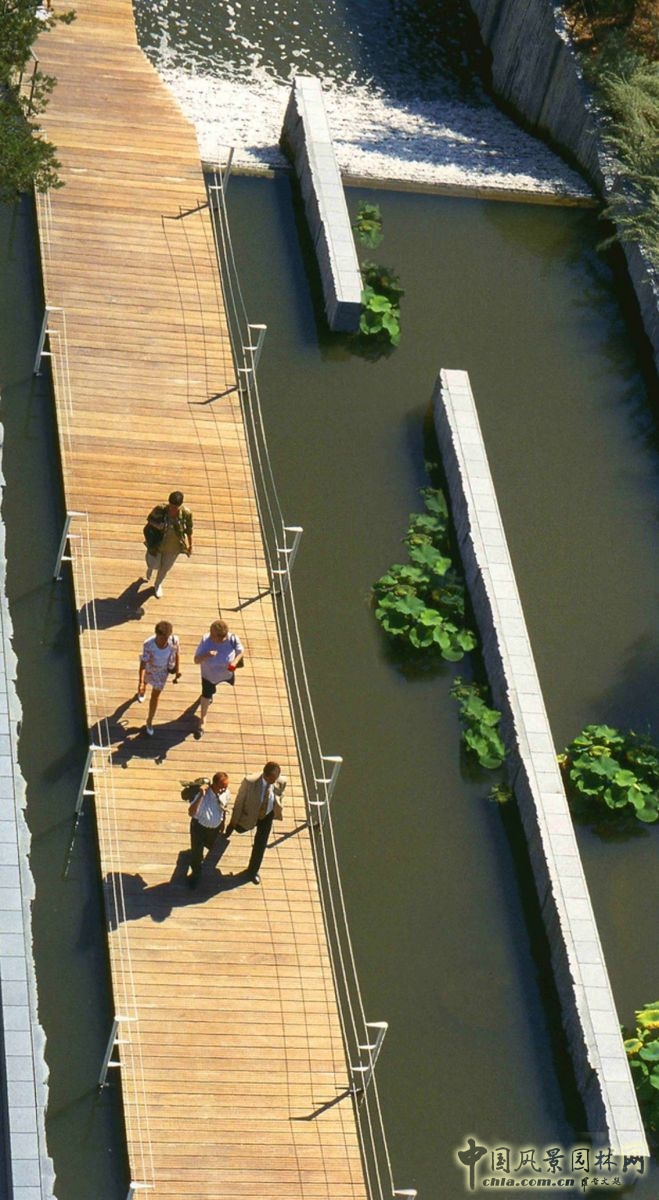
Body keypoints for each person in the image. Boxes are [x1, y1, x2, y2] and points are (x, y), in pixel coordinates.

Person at [225, 762, 285, 885]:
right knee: (239, 829)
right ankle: (229, 831)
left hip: (267, 815)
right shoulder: (249, 782)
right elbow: (239, 802)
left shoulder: (280, 781)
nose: (276, 781)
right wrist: (233, 823)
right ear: (266, 775)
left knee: (261, 844)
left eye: (277, 777)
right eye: (273, 778)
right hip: (251, 815)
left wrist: (278, 806)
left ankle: (252, 871)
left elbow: (280, 794)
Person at [192, 620, 244, 739]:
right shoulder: (205, 640)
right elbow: (196, 660)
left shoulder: (233, 639)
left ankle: (210, 695)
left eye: (213, 634)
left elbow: (241, 651)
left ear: (222, 638)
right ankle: (202, 722)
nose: (209, 635)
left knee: (213, 691)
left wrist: (234, 662)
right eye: (210, 632)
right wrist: (207, 655)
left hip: (226, 673)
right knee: (206, 695)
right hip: (209, 676)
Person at [144, 490, 193, 599]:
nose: (172, 509)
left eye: (175, 507)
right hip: (158, 542)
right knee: (153, 563)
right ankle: (150, 568)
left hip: (173, 545)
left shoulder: (186, 513)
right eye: (171, 506)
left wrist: (190, 545)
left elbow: (189, 530)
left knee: (165, 567)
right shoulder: (160, 509)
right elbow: (150, 520)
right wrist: (158, 525)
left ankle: (158, 584)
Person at [187, 772, 231, 888]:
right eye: (221, 787)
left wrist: (222, 822)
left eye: (226, 787)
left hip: (214, 830)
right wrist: (201, 796)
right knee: (197, 853)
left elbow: (223, 807)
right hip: (199, 828)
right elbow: (191, 812)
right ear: (214, 784)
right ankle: (195, 875)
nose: (224, 790)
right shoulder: (203, 795)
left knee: (211, 846)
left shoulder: (225, 793)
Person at [137, 620, 180, 736]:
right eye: (162, 638)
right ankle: (142, 689)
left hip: (162, 673)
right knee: (144, 682)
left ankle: (149, 721)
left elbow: (177, 654)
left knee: (155, 697)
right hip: (150, 668)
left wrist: (177, 670)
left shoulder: (174, 641)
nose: (164, 641)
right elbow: (143, 664)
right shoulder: (148, 644)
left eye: (166, 638)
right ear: (156, 634)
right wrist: (141, 682)